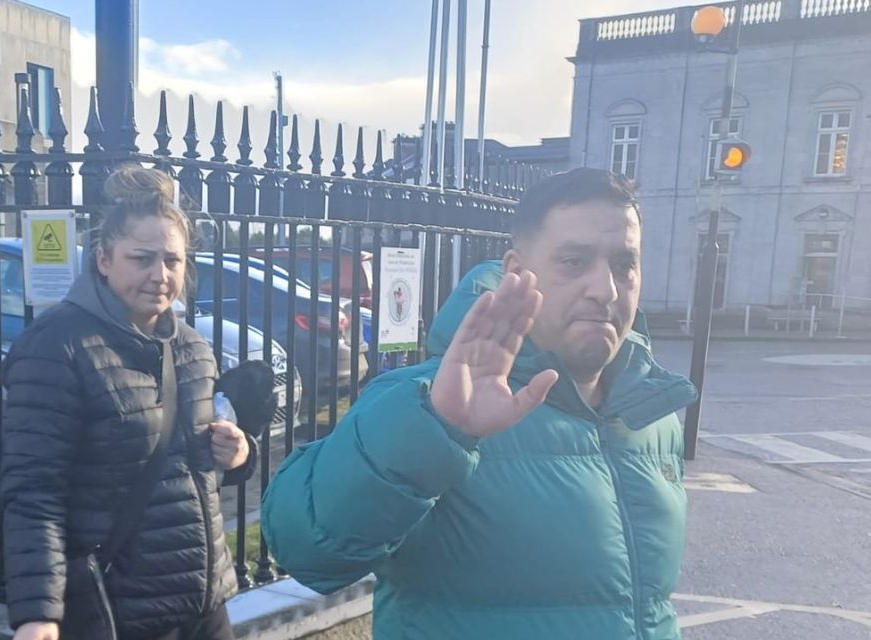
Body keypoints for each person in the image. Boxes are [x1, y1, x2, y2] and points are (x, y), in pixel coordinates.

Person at [262, 168, 699, 639]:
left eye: (624, 264)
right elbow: (306, 548)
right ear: (516, 272)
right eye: (574, 262)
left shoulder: (649, 415)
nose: (606, 289)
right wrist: (436, 432)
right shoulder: (434, 402)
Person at [1, 166, 256, 640]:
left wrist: (239, 454)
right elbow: (33, 490)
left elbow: (196, 465)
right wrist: (38, 613)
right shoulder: (57, 346)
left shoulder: (194, 349)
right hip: (118, 610)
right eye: (141, 258)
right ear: (103, 259)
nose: (160, 275)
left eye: (172, 260)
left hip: (203, 606)